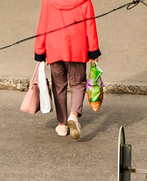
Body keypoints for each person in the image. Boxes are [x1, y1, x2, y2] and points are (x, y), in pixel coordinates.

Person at [34, 0, 101, 140]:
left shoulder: (48, 2)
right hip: (78, 47)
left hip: (54, 48)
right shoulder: (85, 2)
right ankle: (74, 114)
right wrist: (93, 51)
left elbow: (43, 25)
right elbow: (90, 27)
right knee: (78, 84)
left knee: (59, 86)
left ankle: (62, 124)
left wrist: (40, 52)